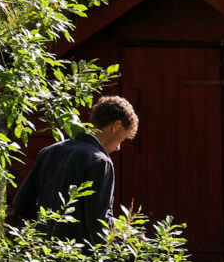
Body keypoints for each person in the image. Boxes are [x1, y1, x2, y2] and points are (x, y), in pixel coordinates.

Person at [13, 96, 138, 245]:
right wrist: (131, 234)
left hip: (44, 255)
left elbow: (21, 204)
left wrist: (51, 225)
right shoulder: (100, 162)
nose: (118, 147)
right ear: (116, 126)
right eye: (122, 139)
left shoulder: (49, 151)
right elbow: (100, 225)